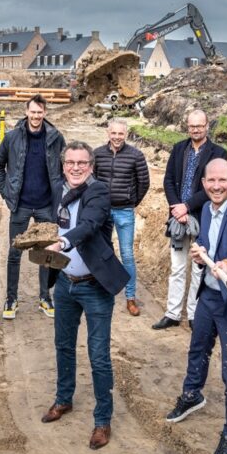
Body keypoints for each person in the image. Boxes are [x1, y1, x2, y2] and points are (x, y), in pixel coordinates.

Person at [164, 158, 227, 454]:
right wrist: (200, 254)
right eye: (211, 181)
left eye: (222, 181)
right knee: (197, 349)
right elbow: (205, 242)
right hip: (208, 298)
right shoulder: (205, 209)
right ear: (203, 184)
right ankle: (192, 395)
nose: (216, 186)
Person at [40, 142, 130, 451]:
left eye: (82, 162)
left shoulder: (99, 192)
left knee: (99, 355)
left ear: (91, 166)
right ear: (63, 165)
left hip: (95, 286)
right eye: (70, 162)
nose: (76, 167)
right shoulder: (58, 190)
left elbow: (90, 225)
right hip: (66, 283)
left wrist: (62, 243)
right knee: (63, 345)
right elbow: (49, 221)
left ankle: (102, 419)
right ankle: (64, 399)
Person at [0, 94, 66, 320]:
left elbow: (65, 168)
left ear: (45, 113)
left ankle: (45, 297)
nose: (36, 116)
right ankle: (11, 299)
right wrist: (7, 193)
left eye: (40, 112)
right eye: (32, 112)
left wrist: (60, 197)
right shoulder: (13, 137)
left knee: (46, 254)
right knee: (15, 253)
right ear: (26, 112)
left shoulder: (55, 137)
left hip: (46, 206)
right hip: (20, 206)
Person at [155, 109, 227, 331]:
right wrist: (178, 208)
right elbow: (168, 181)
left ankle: (196, 315)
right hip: (177, 218)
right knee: (177, 268)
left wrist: (187, 206)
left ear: (207, 126)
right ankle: (173, 313)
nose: (195, 129)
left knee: (199, 268)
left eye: (200, 125)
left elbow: (213, 187)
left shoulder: (218, 153)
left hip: (202, 217)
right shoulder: (179, 149)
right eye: (192, 126)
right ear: (187, 126)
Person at [92, 118, 150, 316]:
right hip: (102, 212)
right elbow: (93, 180)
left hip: (125, 211)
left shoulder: (136, 155)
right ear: (108, 133)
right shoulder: (98, 154)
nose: (117, 137)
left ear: (126, 134)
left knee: (127, 254)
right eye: (114, 133)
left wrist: (132, 201)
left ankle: (130, 298)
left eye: (121, 134)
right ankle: (99, 292)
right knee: (100, 252)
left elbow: (144, 183)